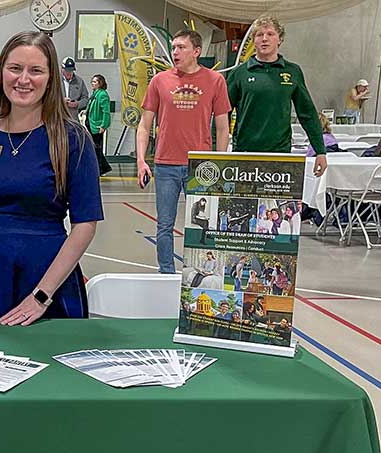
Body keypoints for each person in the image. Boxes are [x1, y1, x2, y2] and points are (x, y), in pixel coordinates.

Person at [0, 32, 102, 324]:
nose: (23, 79)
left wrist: (41, 296)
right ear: (2, 73)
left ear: (50, 77)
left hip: (45, 280)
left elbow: (85, 226)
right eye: (15, 68)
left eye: (36, 70)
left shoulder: (72, 139)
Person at [137, 29, 231, 274]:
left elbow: (223, 128)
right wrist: (141, 161)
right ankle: (166, 272)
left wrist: (218, 163)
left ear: (197, 51)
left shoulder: (215, 81)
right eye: (173, 47)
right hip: (166, 164)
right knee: (164, 225)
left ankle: (202, 272)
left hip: (200, 167)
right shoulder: (159, 81)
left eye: (181, 47)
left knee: (203, 225)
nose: (175, 52)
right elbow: (144, 125)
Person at [227, 15, 327, 177]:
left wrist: (320, 151)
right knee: (243, 203)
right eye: (259, 35)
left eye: (270, 34)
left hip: (280, 153)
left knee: (277, 202)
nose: (264, 39)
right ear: (253, 40)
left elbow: (307, 113)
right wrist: (217, 152)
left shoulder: (292, 72)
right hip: (245, 152)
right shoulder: (239, 73)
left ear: (280, 39)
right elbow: (222, 113)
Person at [86, 74, 112, 175]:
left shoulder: (102, 95)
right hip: (91, 124)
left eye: (95, 82)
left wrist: (103, 125)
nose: (92, 84)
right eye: (92, 82)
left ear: (100, 83)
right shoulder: (95, 94)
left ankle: (101, 168)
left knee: (97, 148)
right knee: (95, 147)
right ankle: (102, 167)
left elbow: (106, 111)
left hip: (96, 126)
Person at [60, 57, 89, 121]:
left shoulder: (79, 81)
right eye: (67, 70)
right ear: (62, 69)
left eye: (71, 70)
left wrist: (77, 104)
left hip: (73, 119)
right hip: (58, 118)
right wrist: (61, 101)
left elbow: (85, 99)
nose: (69, 73)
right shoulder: (55, 81)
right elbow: (48, 98)